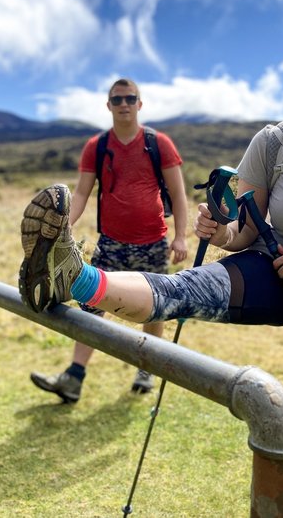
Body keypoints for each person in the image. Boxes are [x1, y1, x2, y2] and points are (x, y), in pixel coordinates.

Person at [19, 10, 283, 518]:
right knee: (186, 289)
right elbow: (245, 233)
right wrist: (220, 231)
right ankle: (73, 276)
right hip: (276, 270)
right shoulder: (272, 142)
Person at [26, 78, 189, 404]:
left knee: (154, 309)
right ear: (109, 105)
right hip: (111, 243)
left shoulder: (159, 143)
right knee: (91, 305)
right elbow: (83, 192)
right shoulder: (97, 147)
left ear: (140, 104)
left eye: (130, 98)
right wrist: (61, 228)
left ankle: (147, 370)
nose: (124, 104)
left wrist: (181, 236)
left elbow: (178, 193)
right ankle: (73, 378)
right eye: (118, 99)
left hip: (154, 243)